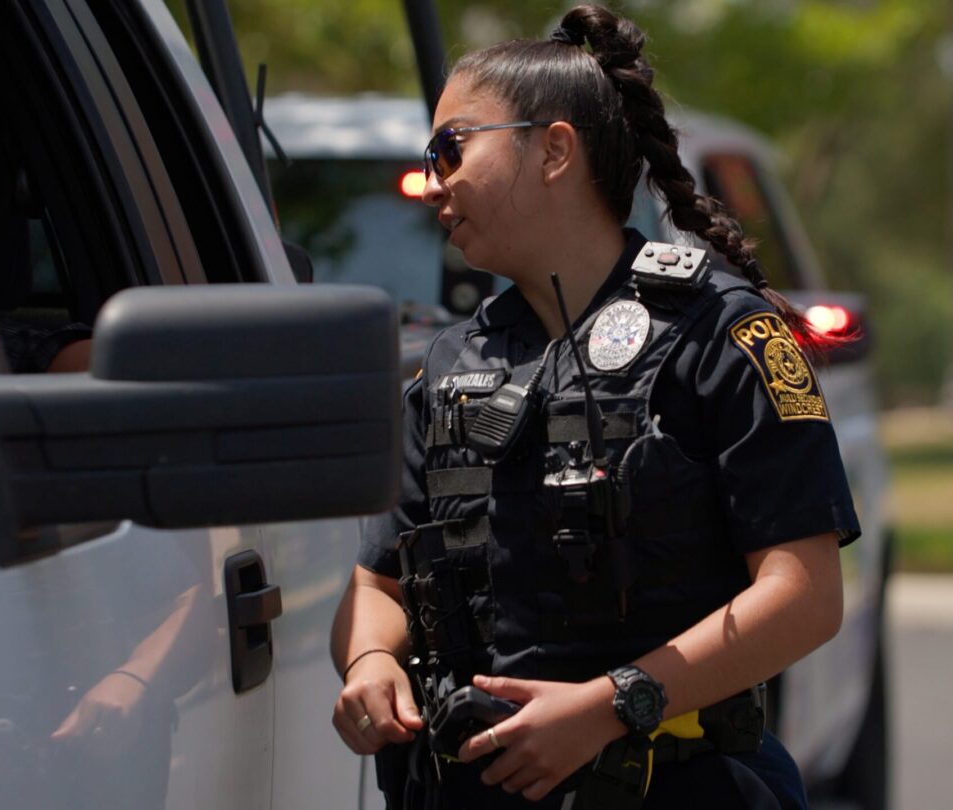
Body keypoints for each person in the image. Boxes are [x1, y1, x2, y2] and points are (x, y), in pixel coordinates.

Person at [330, 6, 859, 809]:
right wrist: (370, 663)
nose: (434, 179)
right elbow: (381, 584)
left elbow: (805, 595)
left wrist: (612, 706)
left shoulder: (723, 333)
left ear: (553, 150)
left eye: (451, 147)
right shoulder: (451, 362)